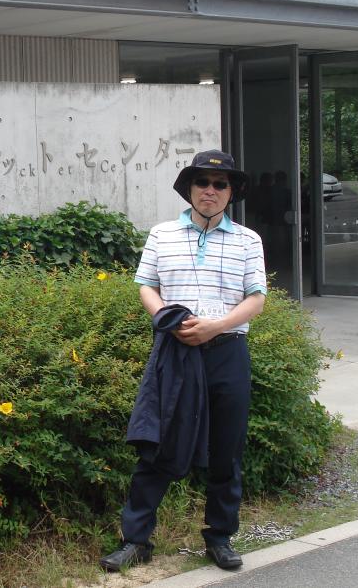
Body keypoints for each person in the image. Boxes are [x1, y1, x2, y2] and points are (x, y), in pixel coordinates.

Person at [99, 149, 267, 572]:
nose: (210, 190)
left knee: (226, 450)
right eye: (202, 182)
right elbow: (147, 285)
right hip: (174, 354)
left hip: (227, 352)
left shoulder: (248, 240)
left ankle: (220, 537)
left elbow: (256, 299)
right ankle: (135, 540)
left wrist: (216, 326)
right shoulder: (162, 235)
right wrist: (165, 320)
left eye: (220, 184)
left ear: (231, 192)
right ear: (189, 188)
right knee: (157, 446)